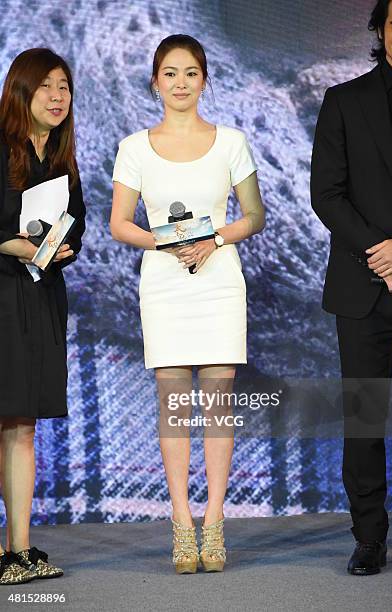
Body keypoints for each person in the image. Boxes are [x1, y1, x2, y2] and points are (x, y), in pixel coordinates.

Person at [111, 34, 265, 574]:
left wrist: (216, 240)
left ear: (204, 80)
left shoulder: (231, 142)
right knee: (174, 404)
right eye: (170, 73)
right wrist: (165, 242)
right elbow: (118, 222)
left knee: (218, 403)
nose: (180, 83)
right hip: (165, 281)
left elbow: (254, 215)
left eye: (191, 73)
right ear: (156, 82)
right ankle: (181, 524)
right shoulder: (134, 147)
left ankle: (216, 522)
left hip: (219, 280)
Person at [311, 0, 392, 576]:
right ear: (379, 30)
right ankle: (369, 538)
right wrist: (386, 252)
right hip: (363, 286)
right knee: (365, 419)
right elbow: (327, 194)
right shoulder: (342, 101)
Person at [0, 48, 86, 584]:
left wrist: (61, 247)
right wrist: (20, 247)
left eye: (64, 87)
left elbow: (76, 223)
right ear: (22, 92)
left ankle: (19, 551)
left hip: (41, 297)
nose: (57, 97)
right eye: (46, 87)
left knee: (23, 425)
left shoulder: (60, 157)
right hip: (3, 293)